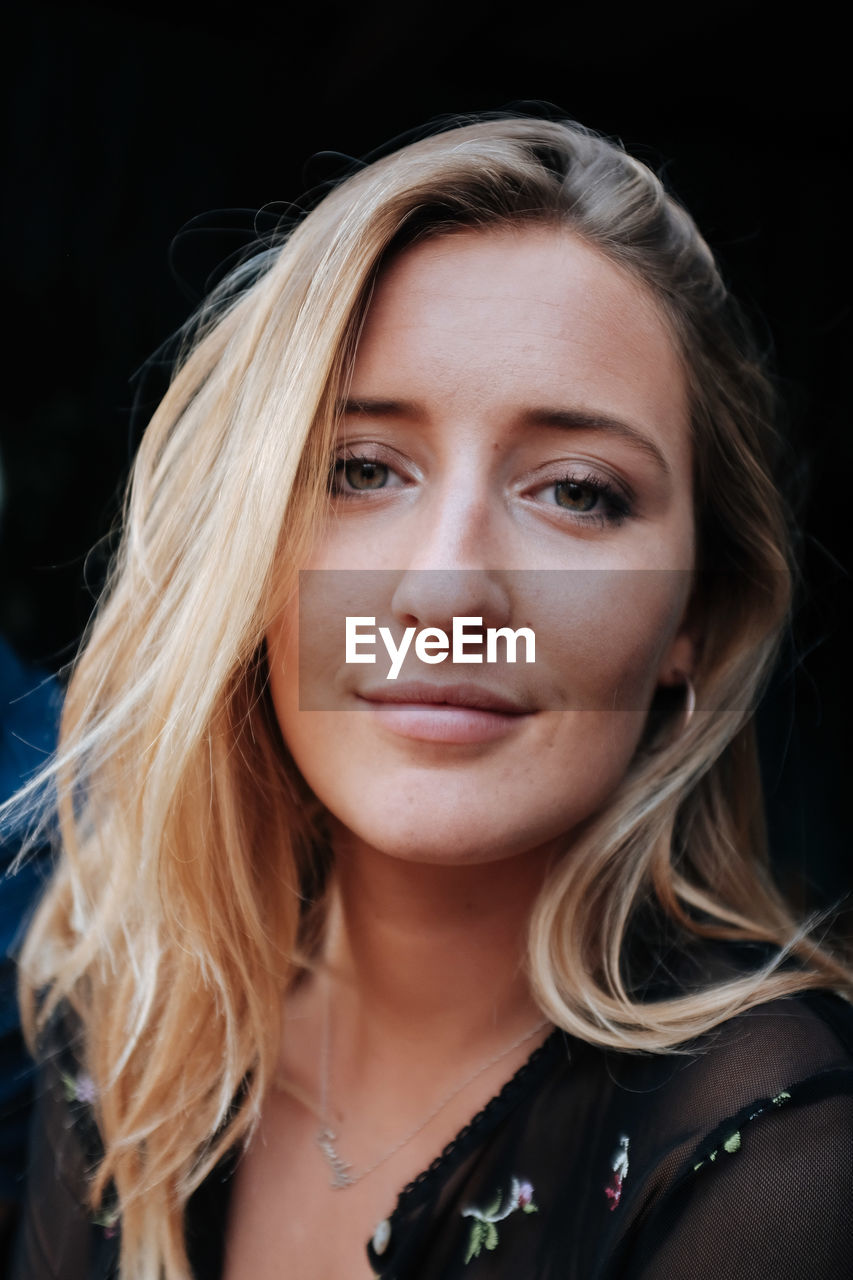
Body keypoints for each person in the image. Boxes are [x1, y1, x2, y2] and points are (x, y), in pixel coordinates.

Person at [4, 114, 853, 1279]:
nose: (446, 585)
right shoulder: (127, 1010)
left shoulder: (781, 1164)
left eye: (576, 491)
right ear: (249, 552)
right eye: (362, 468)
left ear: (693, 617)